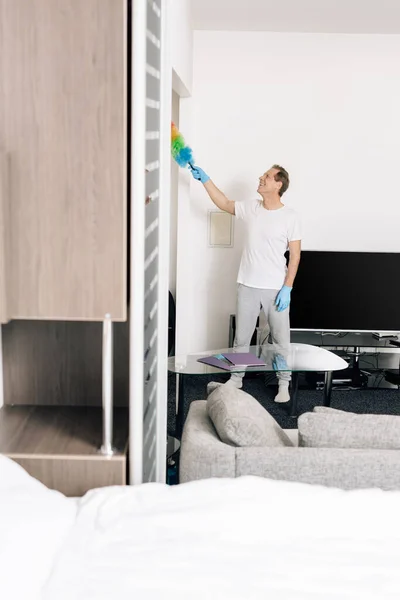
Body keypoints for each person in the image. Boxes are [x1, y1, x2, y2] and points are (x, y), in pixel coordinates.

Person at [190, 164, 301, 403]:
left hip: (275, 289)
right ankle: (236, 378)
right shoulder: (251, 207)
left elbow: (295, 255)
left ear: (278, 184)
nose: (261, 178)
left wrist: (288, 287)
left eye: (267, 176)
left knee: (281, 340)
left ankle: (283, 384)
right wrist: (206, 179)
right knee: (242, 338)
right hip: (247, 285)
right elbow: (224, 203)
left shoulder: (290, 216)